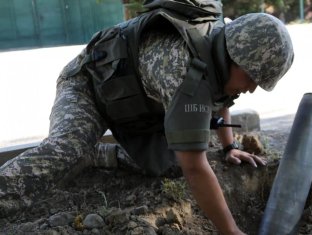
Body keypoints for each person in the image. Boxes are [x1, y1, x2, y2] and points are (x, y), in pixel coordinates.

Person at [0, 7, 294, 234]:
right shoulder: (184, 75)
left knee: (169, 163)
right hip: (87, 86)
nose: (253, 87)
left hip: (137, 105)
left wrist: (229, 147)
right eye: (252, 77)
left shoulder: (221, 48)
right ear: (233, 54)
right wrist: (230, 230)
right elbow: (196, 166)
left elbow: (221, 96)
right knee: (66, 149)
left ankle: (99, 155)